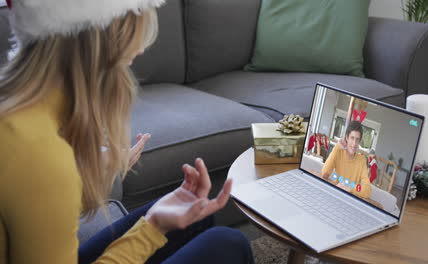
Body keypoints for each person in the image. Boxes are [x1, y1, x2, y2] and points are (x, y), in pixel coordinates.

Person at [0, 1, 254, 263]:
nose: (141, 48)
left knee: (191, 219)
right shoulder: (38, 152)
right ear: (104, 36)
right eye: (135, 29)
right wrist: (153, 229)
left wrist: (89, 176)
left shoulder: (19, 110)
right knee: (227, 244)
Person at [321, 120, 371, 199]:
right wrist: (337, 147)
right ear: (346, 137)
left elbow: (367, 191)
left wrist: (350, 188)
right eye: (352, 138)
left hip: (350, 199)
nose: (354, 144)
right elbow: (324, 173)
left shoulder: (362, 160)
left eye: (357, 140)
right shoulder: (338, 152)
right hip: (334, 195)